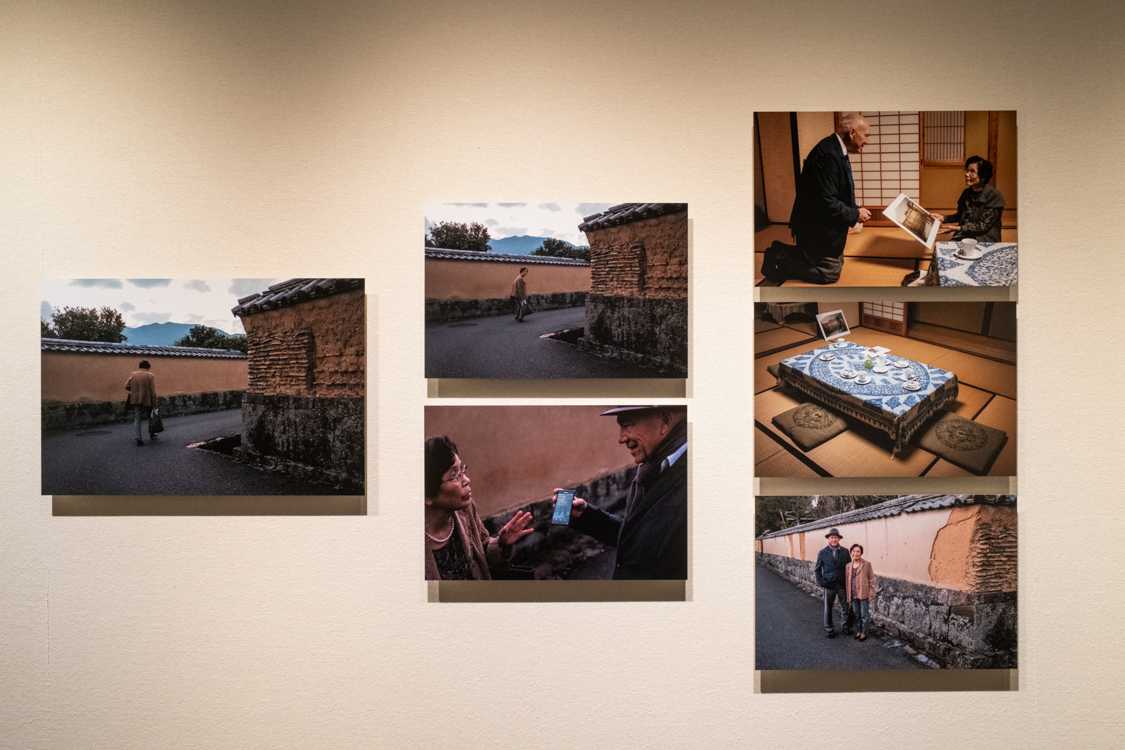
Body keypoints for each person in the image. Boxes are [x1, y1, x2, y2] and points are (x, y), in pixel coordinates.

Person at [557, 406, 688, 580]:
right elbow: (639, 538)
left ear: (665, 420)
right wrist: (586, 516)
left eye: (627, 425)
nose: (621, 438)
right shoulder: (655, 468)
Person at [763, 112, 874, 285]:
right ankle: (778, 255)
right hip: (814, 226)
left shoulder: (837, 150)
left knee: (837, 263)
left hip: (824, 222)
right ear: (852, 133)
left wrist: (855, 210)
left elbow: (842, 192)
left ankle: (786, 251)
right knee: (830, 274)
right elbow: (827, 202)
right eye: (866, 135)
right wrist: (854, 214)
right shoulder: (827, 154)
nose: (867, 141)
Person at [423, 436, 533, 580]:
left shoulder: (465, 510)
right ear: (427, 496)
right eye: (454, 475)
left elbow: (483, 551)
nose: (466, 480)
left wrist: (501, 543)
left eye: (462, 470)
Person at [930, 156, 1005, 242]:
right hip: (965, 234)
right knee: (943, 248)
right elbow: (961, 216)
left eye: (972, 171)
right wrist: (943, 218)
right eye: (967, 170)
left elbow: (982, 226)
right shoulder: (966, 193)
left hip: (985, 238)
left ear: (983, 175)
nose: (967, 174)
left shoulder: (994, 196)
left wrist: (955, 228)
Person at [814, 528, 854, 638]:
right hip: (829, 584)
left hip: (842, 584)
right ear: (828, 539)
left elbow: (849, 568)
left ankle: (845, 627)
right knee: (828, 608)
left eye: (836, 538)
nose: (834, 540)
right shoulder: (822, 552)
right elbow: (817, 569)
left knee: (845, 608)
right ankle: (829, 629)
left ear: (839, 539)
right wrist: (821, 582)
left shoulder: (845, 551)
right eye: (832, 537)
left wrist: (849, 583)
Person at [845, 543, 877, 641]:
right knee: (857, 614)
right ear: (851, 553)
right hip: (853, 594)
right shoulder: (848, 566)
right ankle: (859, 630)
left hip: (863, 594)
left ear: (861, 553)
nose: (856, 553)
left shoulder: (867, 564)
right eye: (854, 551)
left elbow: (872, 579)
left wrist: (871, 594)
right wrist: (848, 596)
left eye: (858, 551)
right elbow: (847, 581)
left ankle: (864, 632)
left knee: (864, 615)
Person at [125, 360, 157, 446]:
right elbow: (152, 391)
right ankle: (152, 433)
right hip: (146, 399)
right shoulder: (150, 375)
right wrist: (154, 404)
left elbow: (127, 386)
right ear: (148, 367)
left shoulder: (133, 375)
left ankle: (138, 437)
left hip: (135, 399)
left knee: (137, 418)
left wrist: (135, 390)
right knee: (150, 416)